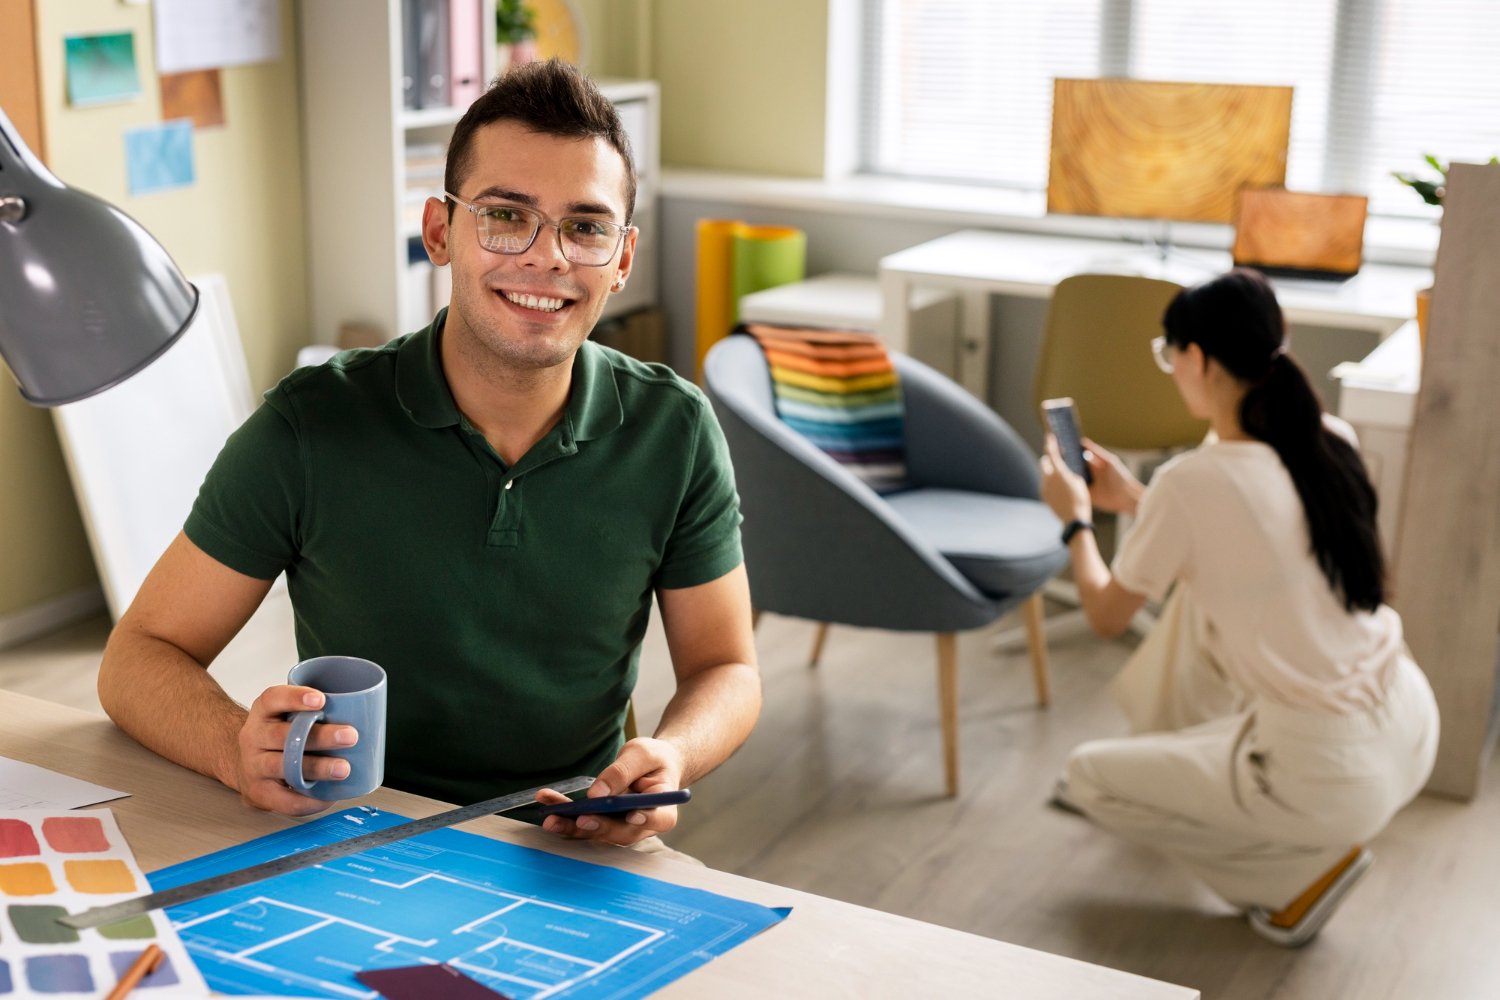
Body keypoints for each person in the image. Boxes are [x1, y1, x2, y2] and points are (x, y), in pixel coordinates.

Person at [96, 60, 760, 851]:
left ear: (620, 259)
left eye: (585, 227)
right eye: (507, 216)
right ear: (441, 232)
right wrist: (233, 745)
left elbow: (728, 668)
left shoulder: (675, 431)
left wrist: (673, 752)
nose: (547, 257)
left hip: (570, 844)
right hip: (351, 830)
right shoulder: (308, 427)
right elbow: (137, 658)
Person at [1037, 268, 1439, 946]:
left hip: (1328, 772)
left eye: (1169, 355)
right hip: (1407, 720)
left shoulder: (1192, 481)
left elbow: (1106, 616)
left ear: (1196, 358)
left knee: (1089, 777)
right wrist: (1139, 501)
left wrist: (1077, 520)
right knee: (1197, 608)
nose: (1170, 370)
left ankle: (1294, 879)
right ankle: (1255, 792)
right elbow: (1263, 538)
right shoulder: (1329, 438)